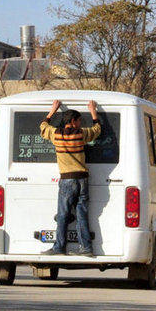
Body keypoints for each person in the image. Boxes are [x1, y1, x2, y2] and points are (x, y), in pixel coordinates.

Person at [40, 100, 101, 256]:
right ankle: (86, 247)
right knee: (82, 213)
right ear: (73, 121)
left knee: (63, 214)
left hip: (67, 180)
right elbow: (97, 129)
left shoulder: (56, 135)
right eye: (79, 120)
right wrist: (93, 111)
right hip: (83, 179)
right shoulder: (81, 135)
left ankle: (59, 247)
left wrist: (52, 110)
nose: (81, 123)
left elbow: (42, 127)